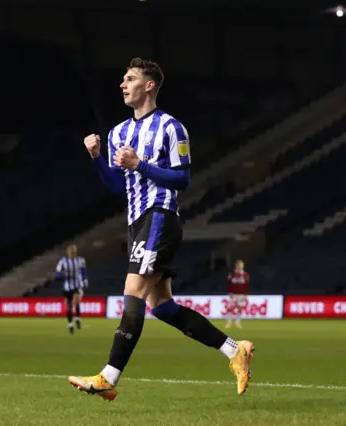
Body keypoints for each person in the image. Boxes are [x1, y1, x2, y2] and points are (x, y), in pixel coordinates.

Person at [68, 57, 254, 400]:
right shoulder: (118, 133)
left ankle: (109, 377)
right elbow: (116, 186)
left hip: (159, 217)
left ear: (149, 85)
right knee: (163, 305)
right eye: (123, 80)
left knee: (133, 290)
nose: (122, 85)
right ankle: (234, 349)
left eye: (130, 79)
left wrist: (140, 164)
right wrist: (96, 157)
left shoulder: (171, 127)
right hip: (136, 221)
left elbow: (182, 178)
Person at [55, 244, 88, 334]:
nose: (72, 252)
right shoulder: (63, 261)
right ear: (68, 252)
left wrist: (85, 280)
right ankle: (70, 324)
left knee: (76, 301)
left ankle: (76, 319)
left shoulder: (80, 260)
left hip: (77, 286)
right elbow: (57, 274)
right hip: (67, 287)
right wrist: (62, 274)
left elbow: (83, 271)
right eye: (71, 251)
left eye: (74, 250)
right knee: (70, 306)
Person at [226, 260, 250, 329]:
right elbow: (229, 284)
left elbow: (247, 285)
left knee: (239, 308)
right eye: (238, 265)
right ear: (236, 266)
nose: (240, 266)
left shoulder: (245, 275)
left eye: (241, 265)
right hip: (233, 294)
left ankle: (237, 322)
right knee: (230, 308)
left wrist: (246, 294)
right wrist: (230, 292)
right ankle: (229, 322)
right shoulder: (232, 274)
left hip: (242, 294)